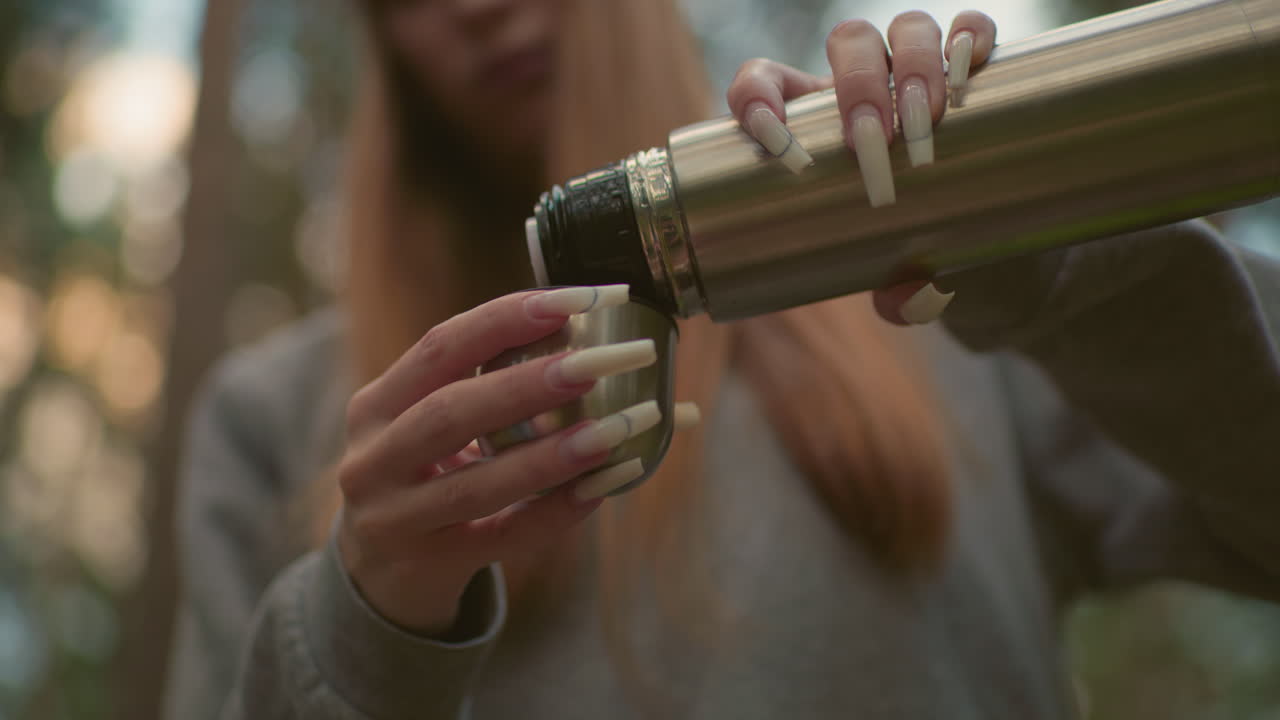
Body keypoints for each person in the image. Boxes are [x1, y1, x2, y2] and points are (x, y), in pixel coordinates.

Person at [162, 0, 1280, 718]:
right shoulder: (279, 418)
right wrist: (366, 630)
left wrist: (1011, 216)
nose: (474, 8)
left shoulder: (941, 303)